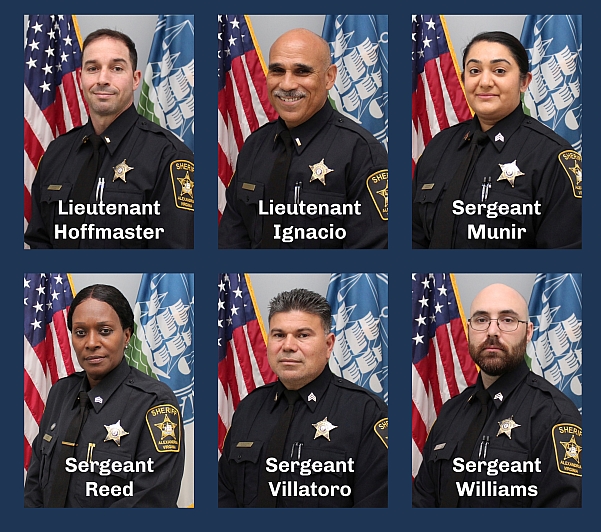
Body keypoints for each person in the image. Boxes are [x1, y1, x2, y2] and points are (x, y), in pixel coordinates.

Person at [413, 283, 581, 508]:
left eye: (507, 320)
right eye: (481, 320)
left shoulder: (554, 415)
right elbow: (421, 501)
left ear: (529, 331)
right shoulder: (451, 411)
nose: (492, 331)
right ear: (469, 329)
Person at [25, 28, 194, 249]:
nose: (103, 79)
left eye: (116, 68)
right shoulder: (57, 152)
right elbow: (39, 242)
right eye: (93, 68)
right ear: (81, 78)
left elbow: (175, 253)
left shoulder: (168, 156)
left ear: (135, 80)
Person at [218, 27, 388, 248]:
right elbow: (231, 243)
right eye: (278, 71)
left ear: (329, 77)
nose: (287, 84)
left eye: (302, 72)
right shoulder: (255, 146)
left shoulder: (361, 152)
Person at [218, 288, 388, 507]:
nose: (288, 346)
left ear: (328, 345)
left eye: (303, 335)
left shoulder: (367, 413)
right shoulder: (249, 408)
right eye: (279, 335)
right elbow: (223, 494)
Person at [412, 31, 581, 248]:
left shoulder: (551, 157)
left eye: (499, 71)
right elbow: (413, 238)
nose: (484, 82)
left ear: (524, 82)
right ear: (464, 79)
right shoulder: (439, 147)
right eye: (474, 71)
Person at [25, 284, 185, 507]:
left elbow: (151, 500)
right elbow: (35, 484)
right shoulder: (60, 393)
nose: (91, 343)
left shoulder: (154, 402)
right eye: (80, 333)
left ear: (127, 335)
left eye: (105, 331)